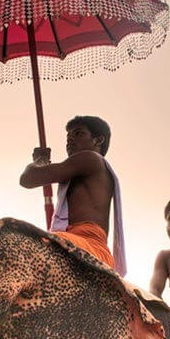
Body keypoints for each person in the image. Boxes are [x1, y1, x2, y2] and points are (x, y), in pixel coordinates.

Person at [19, 115, 126, 276]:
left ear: (98, 140)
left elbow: (28, 179)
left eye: (78, 134)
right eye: (68, 137)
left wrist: (40, 160)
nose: (69, 140)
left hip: (87, 245)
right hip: (80, 242)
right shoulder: (87, 167)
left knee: (17, 241)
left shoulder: (90, 158)